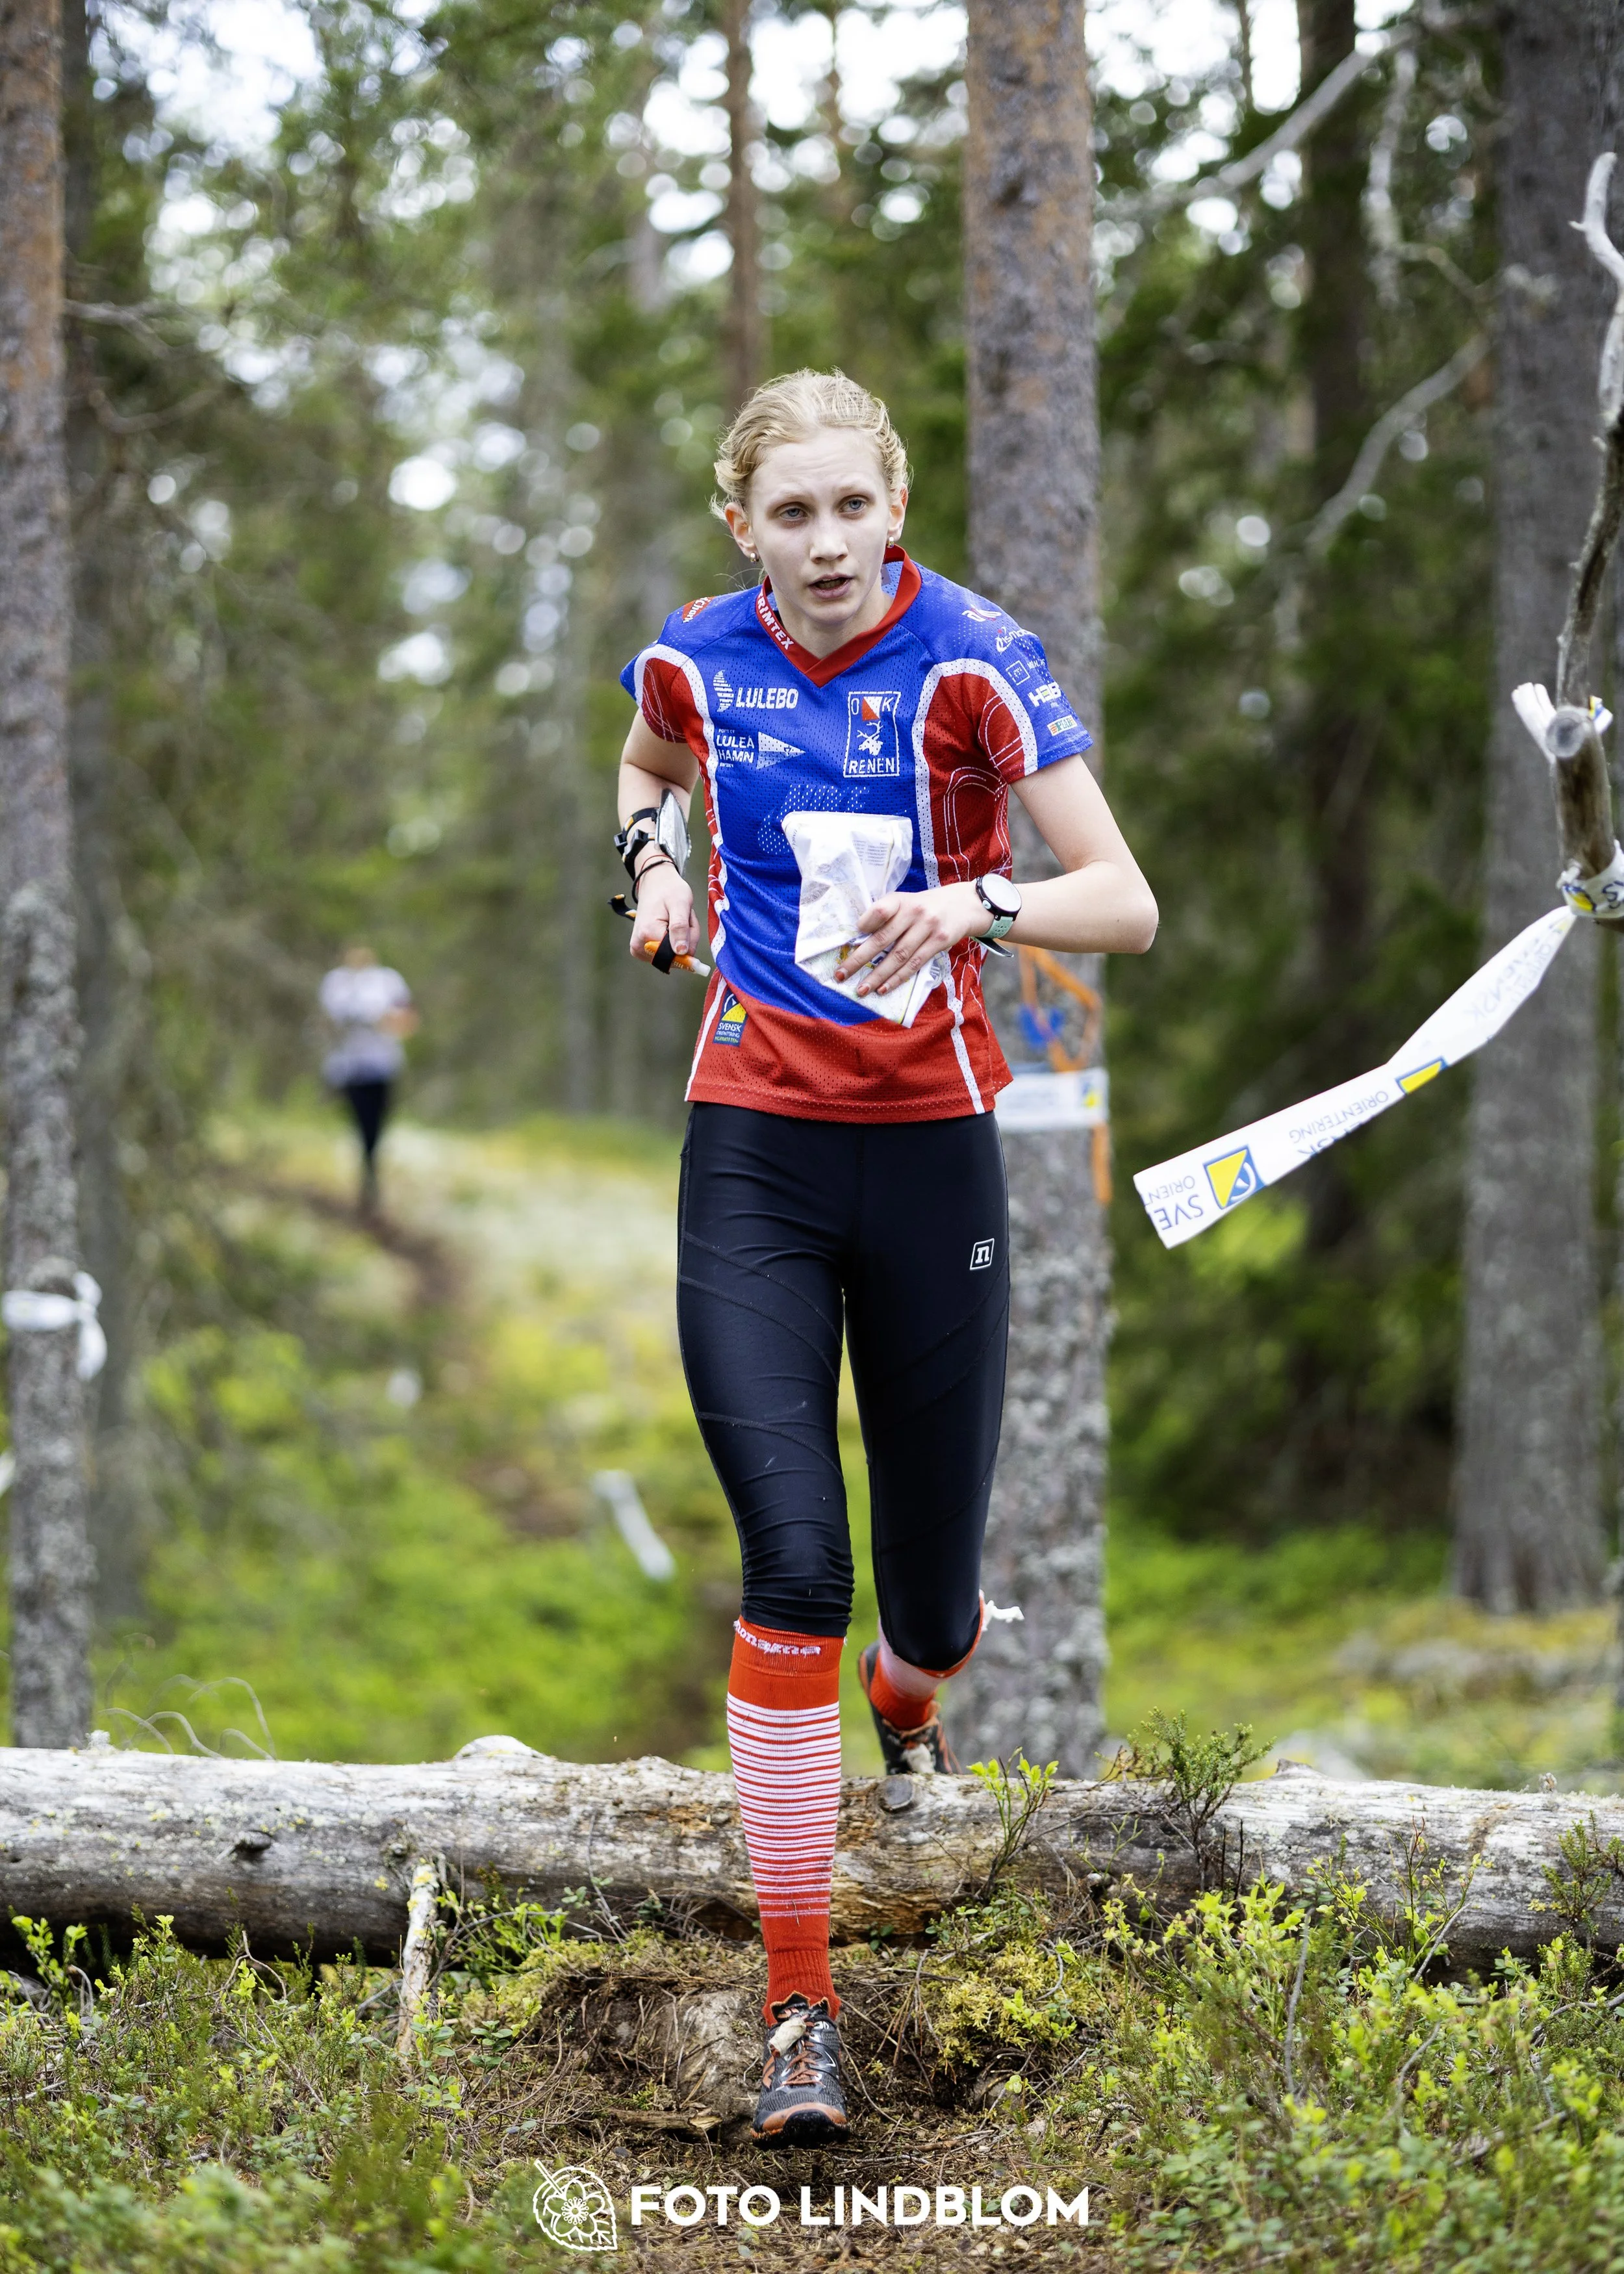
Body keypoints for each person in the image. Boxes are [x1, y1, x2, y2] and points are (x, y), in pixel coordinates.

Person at [615, 369, 1156, 2149]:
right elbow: (649, 759)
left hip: (933, 1155)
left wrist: (977, 902)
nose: (828, 543)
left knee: (918, 1610)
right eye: (793, 515)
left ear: (893, 508)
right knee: (793, 1558)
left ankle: (914, 1696)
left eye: (854, 508)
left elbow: (1121, 900)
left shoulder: (973, 660)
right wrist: (655, 866)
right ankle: (798, 2005)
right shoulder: (698, 653)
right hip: (754, 1150)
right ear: (741, 530)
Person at [318, 946, 417, 1215]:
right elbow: (325, 1021)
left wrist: (381, 1021)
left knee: (377, 1124)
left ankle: (370, 1175)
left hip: (382, 1067)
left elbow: (407, 1020)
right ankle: (365, 1177)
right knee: (359, 1122)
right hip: (349, 1068)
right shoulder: (336, 983)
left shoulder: (389, 981)